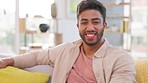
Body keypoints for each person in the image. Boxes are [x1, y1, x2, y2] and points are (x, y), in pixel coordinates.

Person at [0, 0, 136, 83]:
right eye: (84, 22)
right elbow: (36, 56)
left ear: (104, 25)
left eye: (96, 22)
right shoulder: (65, 50)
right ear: (78, 26)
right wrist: (8, 60)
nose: (90, 27)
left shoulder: (121, 59)